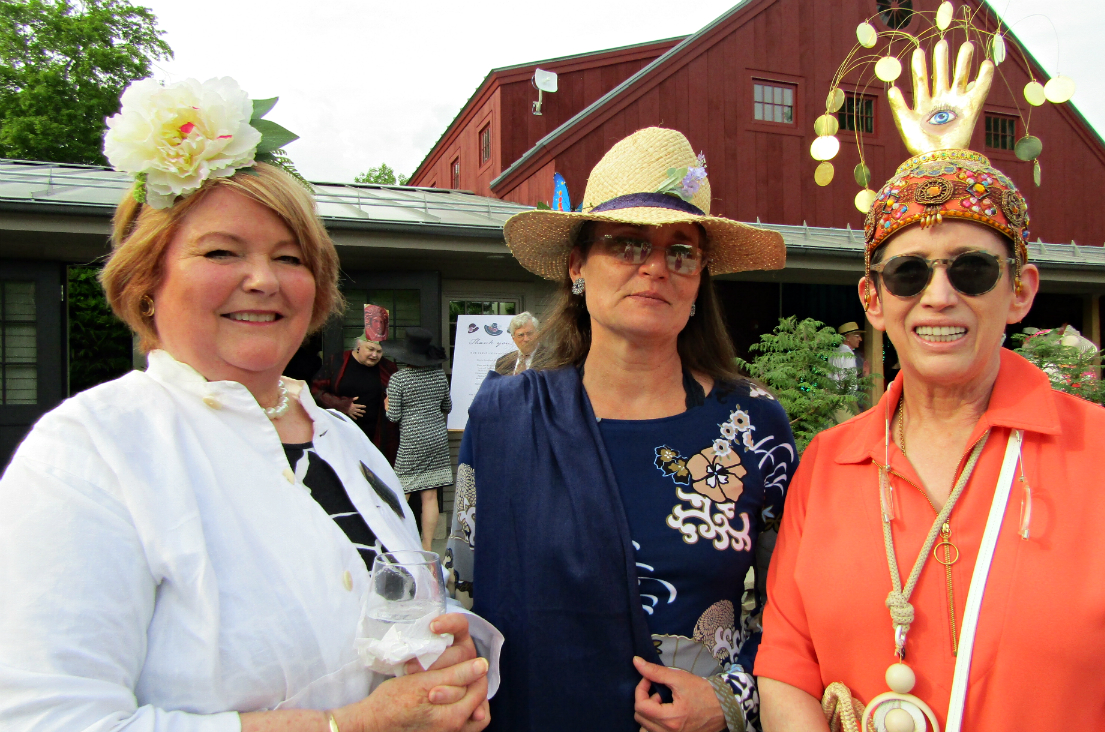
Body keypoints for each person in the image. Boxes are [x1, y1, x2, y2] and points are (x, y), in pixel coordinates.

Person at [0, 78, 497, 732]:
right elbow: (48, 722)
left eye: (289, 257)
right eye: (220, 252)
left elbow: (380, 629)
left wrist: (438, 664)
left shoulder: (344, 444)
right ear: (148, 279)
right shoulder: (89, 451)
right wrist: (355, 726)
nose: (262, 279)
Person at [756, 37, 1105, 732]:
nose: (938, 296)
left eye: (971, 270)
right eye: (908, 273)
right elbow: (786, 666)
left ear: (1020, 291)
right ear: (873, 301)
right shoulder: (827, 463)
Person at [445, 127, 797, 732]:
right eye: (627, 245)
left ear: (699, 277)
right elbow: (465, 590)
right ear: (578, 265)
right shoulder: (505, 414)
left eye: (681, 251)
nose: (656, 268)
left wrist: (733, 702)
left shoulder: (753, 425)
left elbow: (794, 615)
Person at [386, 327, 453, 552]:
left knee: (401, 492)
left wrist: (387, 406)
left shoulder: (398, 379)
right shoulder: (438, 376)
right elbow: (448, 407)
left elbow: (393, 416)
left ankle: (395, 542)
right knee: (430, 495)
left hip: (412, 439)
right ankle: (427, 547)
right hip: (436, 437)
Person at [313, 331, 400, 463]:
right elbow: (316, 390)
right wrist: (341, 404)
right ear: (359, 346)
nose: (374, 355)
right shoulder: (337, 361)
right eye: (370, 349)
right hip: (342, 435)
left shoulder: (388, 367)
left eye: (379, 351)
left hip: (377, 437)